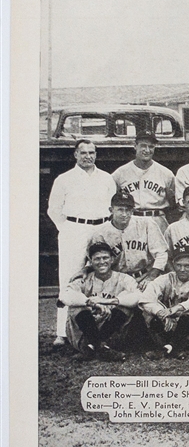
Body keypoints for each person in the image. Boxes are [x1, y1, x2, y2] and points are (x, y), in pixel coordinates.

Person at [47, 139, 117, 348]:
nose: (88, 156)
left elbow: (112, 206)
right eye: (83, 152)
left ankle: (103, 328)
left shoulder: (106, 178)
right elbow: (53, 209)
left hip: (100, 229)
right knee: (70, 278)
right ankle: (62, 332)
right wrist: (68, 229)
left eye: (92, 152)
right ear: (75, 155)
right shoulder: (64, 179)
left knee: (103, 274)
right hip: (74, 229)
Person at [61, 242, 142, 362]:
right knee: (76, 307)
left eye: (105, 258)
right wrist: (91, 303)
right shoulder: (84, 279)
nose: (101, 262)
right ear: (91, 261)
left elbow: (137, 297)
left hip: (112, 334)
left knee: (126, 307)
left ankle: (94, 347)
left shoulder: (124, 278)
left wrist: (107, 301)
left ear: (112, 259)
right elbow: (65, 295)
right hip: (84, 333)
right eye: (97, 259)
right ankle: (100, 346)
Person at [139, 245, 189, 360]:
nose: (182, 269)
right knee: (148, 312)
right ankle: (173, 348)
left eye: (187, 266)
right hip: (168, 326)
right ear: (173, 264)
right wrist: (160, 312)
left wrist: (176, 308)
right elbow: (146, 298)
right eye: (179, 265)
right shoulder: (166, 278)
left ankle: (169, 347)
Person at [90, 191, 169, 291]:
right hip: (117, 279)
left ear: (132, 211)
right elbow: (95, 262)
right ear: (111, 210)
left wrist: (151, 277)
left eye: (128, 210)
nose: (124, 214)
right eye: (120, 210)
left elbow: (161, 254)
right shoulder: (101, 233)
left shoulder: (147, 224)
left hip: (145, 276)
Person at [112, 131, 175, 233]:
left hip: (157, 220)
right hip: (131, 219)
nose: (147, 150)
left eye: (151, 147)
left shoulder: (166, 173)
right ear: (135, 146)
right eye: (143, 146)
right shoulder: (120, 173)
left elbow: (173, 204)